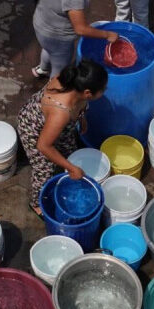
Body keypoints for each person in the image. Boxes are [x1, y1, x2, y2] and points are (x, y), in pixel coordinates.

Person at [17, 60, 108, 217]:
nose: (105, 91)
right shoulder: (61, 112)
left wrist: (81, 118)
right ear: (87, 93)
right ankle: (36, 204)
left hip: (58, 126)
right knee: (44, 169)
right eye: (103, 89)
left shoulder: (72, 80)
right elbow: (44, 146)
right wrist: (72, 168)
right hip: (33, 129)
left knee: (70, 150)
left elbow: (79, 105)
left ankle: (66, 164)